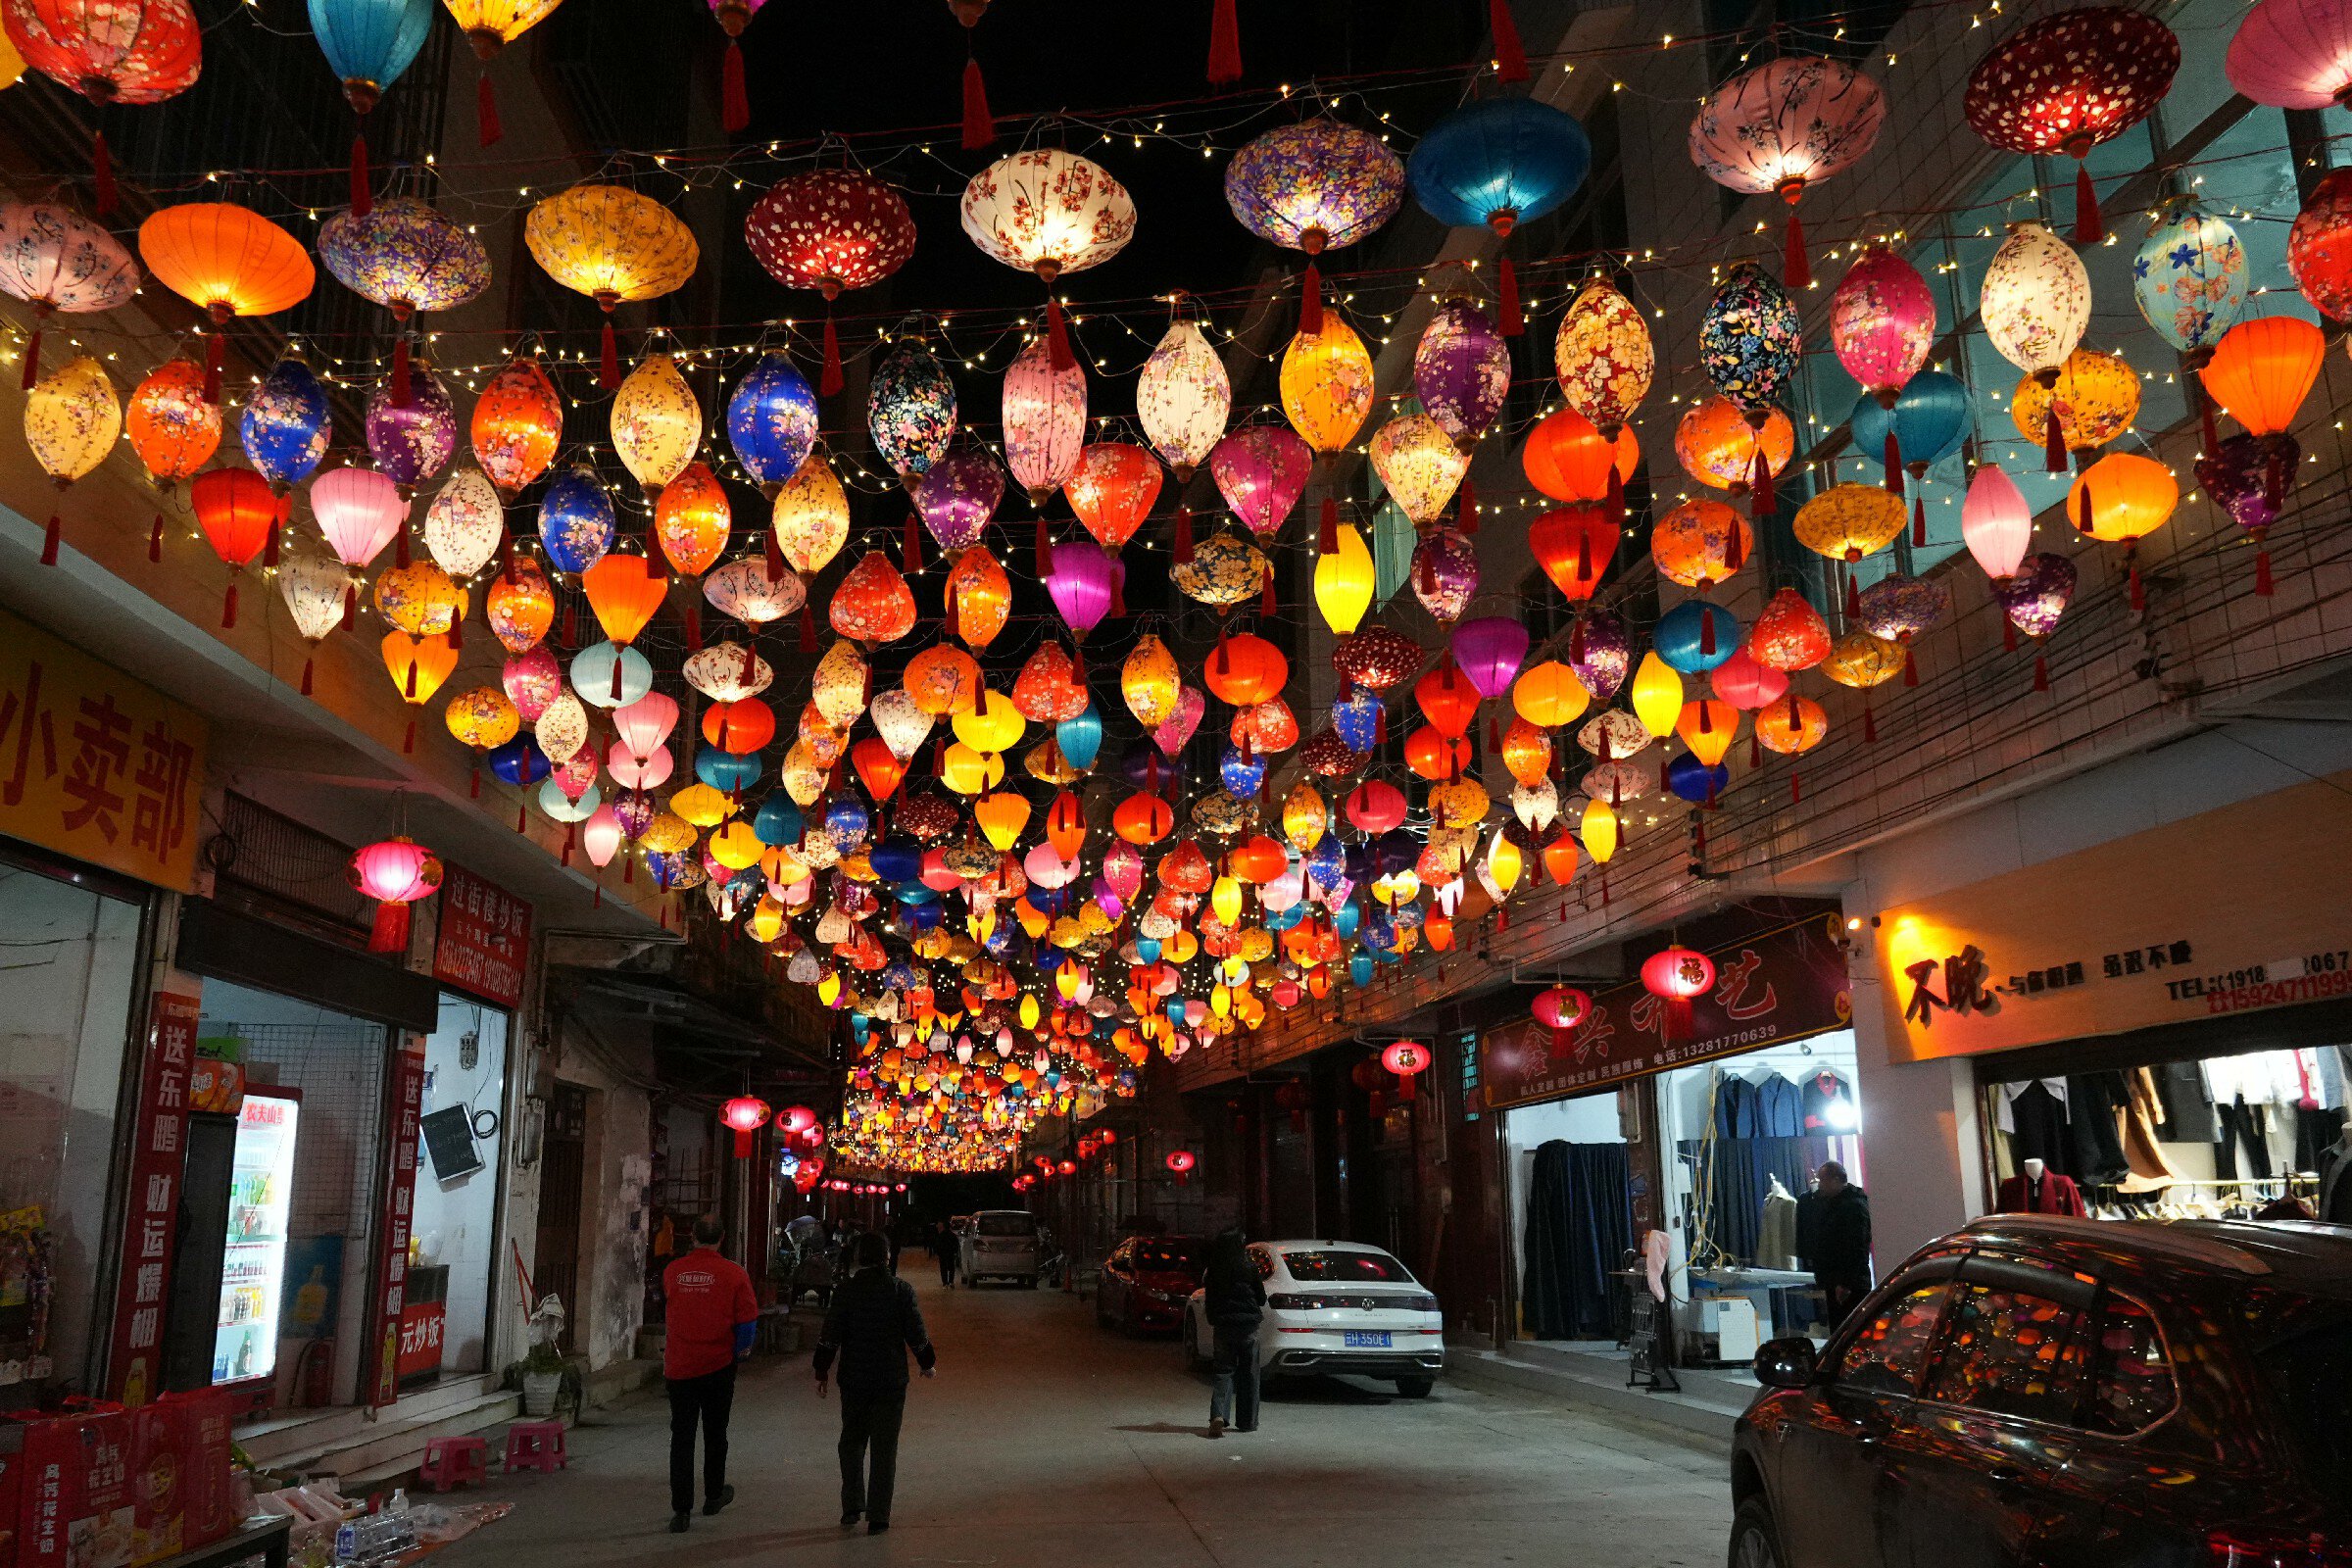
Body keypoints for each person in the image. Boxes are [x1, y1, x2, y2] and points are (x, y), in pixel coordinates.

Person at [813, 1231, 936, 1535]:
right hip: (890, 1381)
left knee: (851, 1441)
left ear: (859, 1258)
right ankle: (879, 1517)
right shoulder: (900, 1291)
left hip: (853, 1379)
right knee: (884, 1446)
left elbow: (830, 1335)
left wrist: (821, 1370)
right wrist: (927, 1363)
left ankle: (852, 1506)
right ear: (887, 1257)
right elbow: (916, 1333)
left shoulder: (846, 1292)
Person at [660, 1216, 759, 1533]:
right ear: (723, 1237)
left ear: (692, 1236)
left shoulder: (673, 1271)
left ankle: (681, 1510)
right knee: (716, 1433)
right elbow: (747, 1323)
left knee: (682, 1437)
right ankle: (713, 1495)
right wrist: (740, 1354)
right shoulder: (734, 1274)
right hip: (718, 1366)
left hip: (680, 1366)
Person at [1200, 1227, 1265, 1437]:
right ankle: (1247, 1421)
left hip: (1224, 1328)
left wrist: (1214, 1319)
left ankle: (1218, 1415)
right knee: (1250, 1374)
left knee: (1223, 1372)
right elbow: (1261, 1298)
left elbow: (1210, 1300)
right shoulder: (1249, 1267)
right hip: (1248, 1328)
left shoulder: (1214, 1270)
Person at [1802, 1161, 1874, 1325]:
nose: (1820, 1185)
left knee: (1849, 1328)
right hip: (1836, 1281)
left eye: (1823, 1180)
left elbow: (1856, 1247)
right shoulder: (1833, 1205)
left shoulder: (1853, 1206)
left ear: (1835, 1180)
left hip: (1849, 1285)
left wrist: (1845, 1283)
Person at [932, 1219, 957, 1287]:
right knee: (951, 1268)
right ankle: (951, 1281)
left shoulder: (940, 1235)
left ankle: (945, 1283)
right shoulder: (953, 1235)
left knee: (943, 1268)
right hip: (951, 1254)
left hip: (942, 1254)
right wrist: (955, 1252)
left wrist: (937, 1253)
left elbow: (937, 1245)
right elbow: (956, 1245)